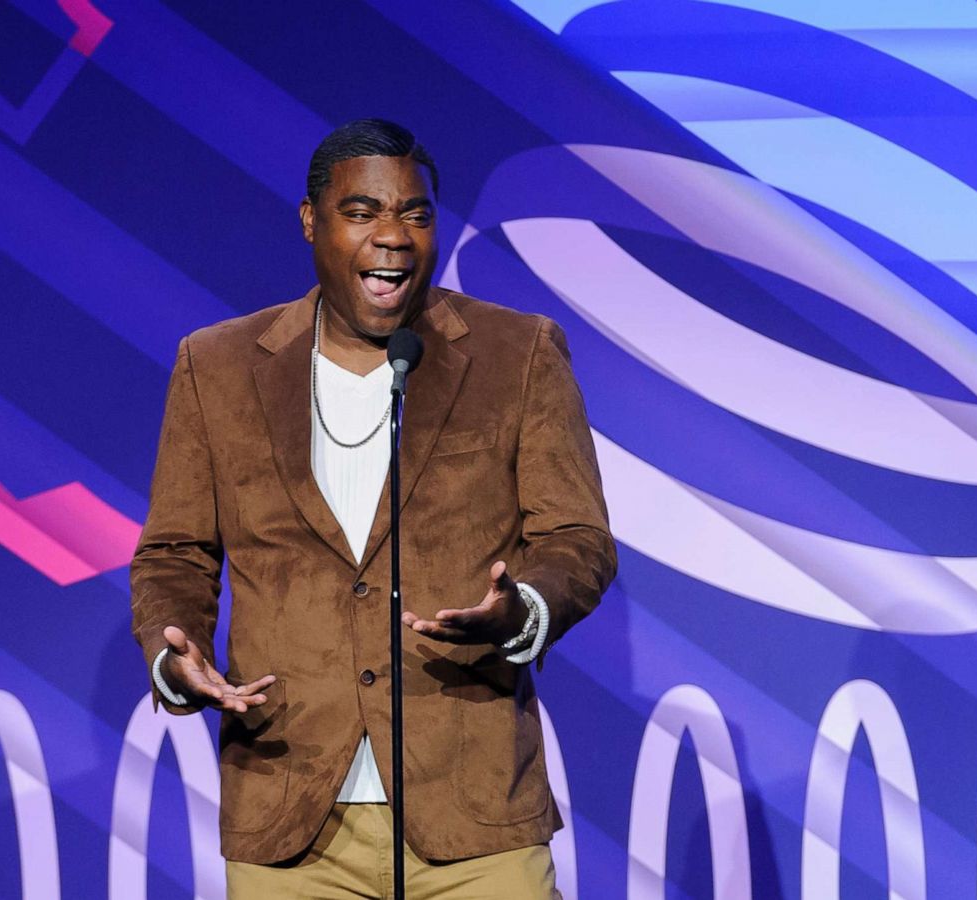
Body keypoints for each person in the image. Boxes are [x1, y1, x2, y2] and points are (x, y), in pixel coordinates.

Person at [130, 118, 615, 898]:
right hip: (290, 816)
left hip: (472, 815)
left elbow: (576, 537)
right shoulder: (215, 367)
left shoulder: (515, 353)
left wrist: (522, 608)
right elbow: (176, 552)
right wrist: (173, 654)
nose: (393, 237)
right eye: (362, 213)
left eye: (415, 216)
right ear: (311, 220)